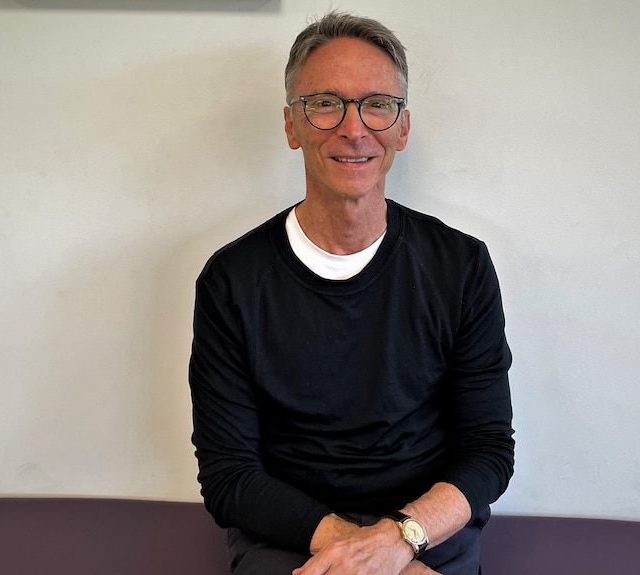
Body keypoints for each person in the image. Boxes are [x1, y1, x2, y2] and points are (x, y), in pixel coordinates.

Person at [189, 11, 514, 575]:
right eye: (324, 103)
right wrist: (360, 553)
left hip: (426, 530)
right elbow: (228, 474)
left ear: (402, 127)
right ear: (292, 125)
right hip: (287, 532)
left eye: (377, 104)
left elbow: (488, 450)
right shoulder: (231, 281)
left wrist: (400, 541)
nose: (354, 127)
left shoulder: (461, 266)